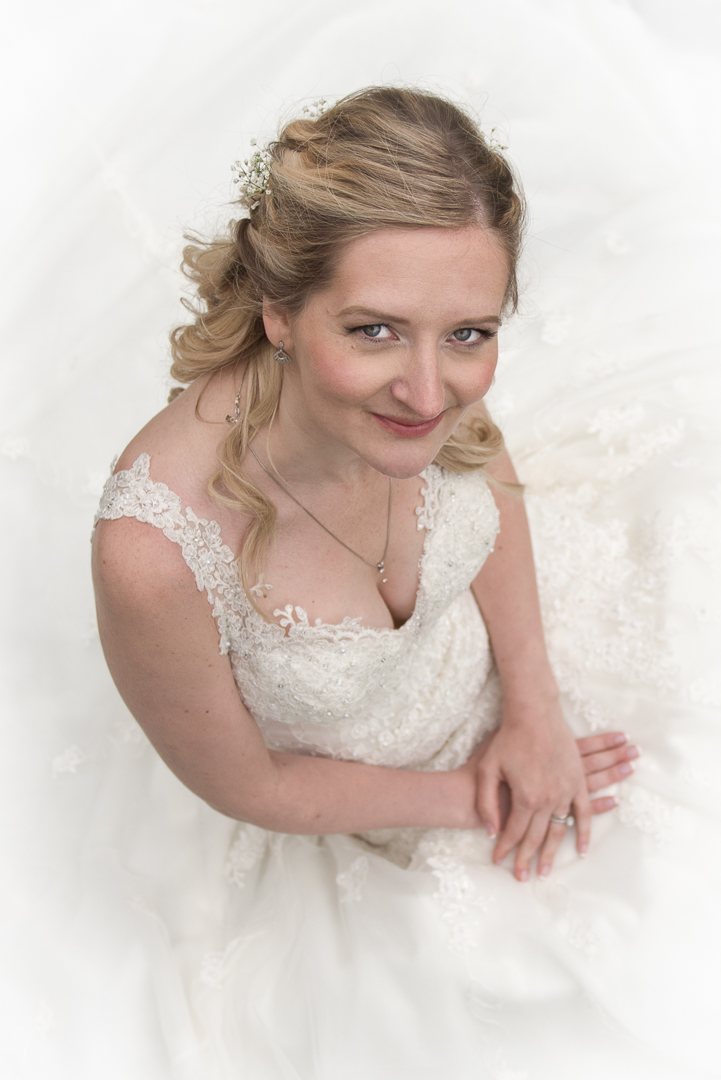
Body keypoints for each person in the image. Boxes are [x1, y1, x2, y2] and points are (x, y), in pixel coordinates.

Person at [90, 88, 674, 1078]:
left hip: (513, 683)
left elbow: (484, 470)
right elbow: (250, 784)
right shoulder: (155, 552)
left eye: (469, 334)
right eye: (372, 331)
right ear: (278, 310)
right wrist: (478, 798)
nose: (428, 393)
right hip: (352, 805)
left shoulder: (425, 384)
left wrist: (533, 708)